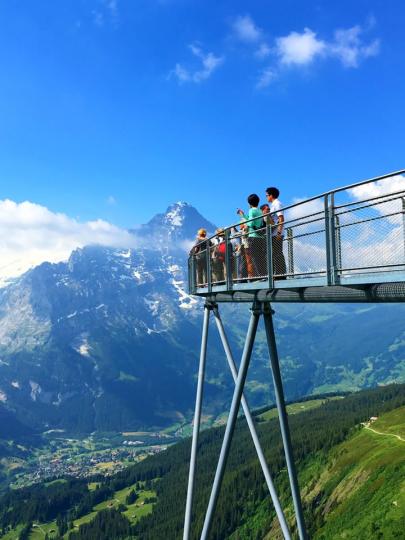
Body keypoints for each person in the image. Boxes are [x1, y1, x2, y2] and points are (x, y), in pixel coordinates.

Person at [237, 194, 267, 278]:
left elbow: (250, 223)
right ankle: (264, 275)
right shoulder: (260, 211)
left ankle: (259, 276)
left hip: (253, 236)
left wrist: (243, 219)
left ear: (249, 203)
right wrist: (243, 215)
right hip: (260, 236)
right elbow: (256, 221)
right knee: (261, 257)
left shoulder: (251, 211)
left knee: (253, 257)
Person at [265, 187, 287, 279]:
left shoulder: (277, 204)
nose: (266, 197)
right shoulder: (274, 204)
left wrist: (278, 232)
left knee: (277, 253)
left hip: (277, 233)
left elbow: (281, 218)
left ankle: (281, 275)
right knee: (275, 253)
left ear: (271, 195)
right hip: (274, 233)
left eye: (267, 195)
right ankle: (277, 274)